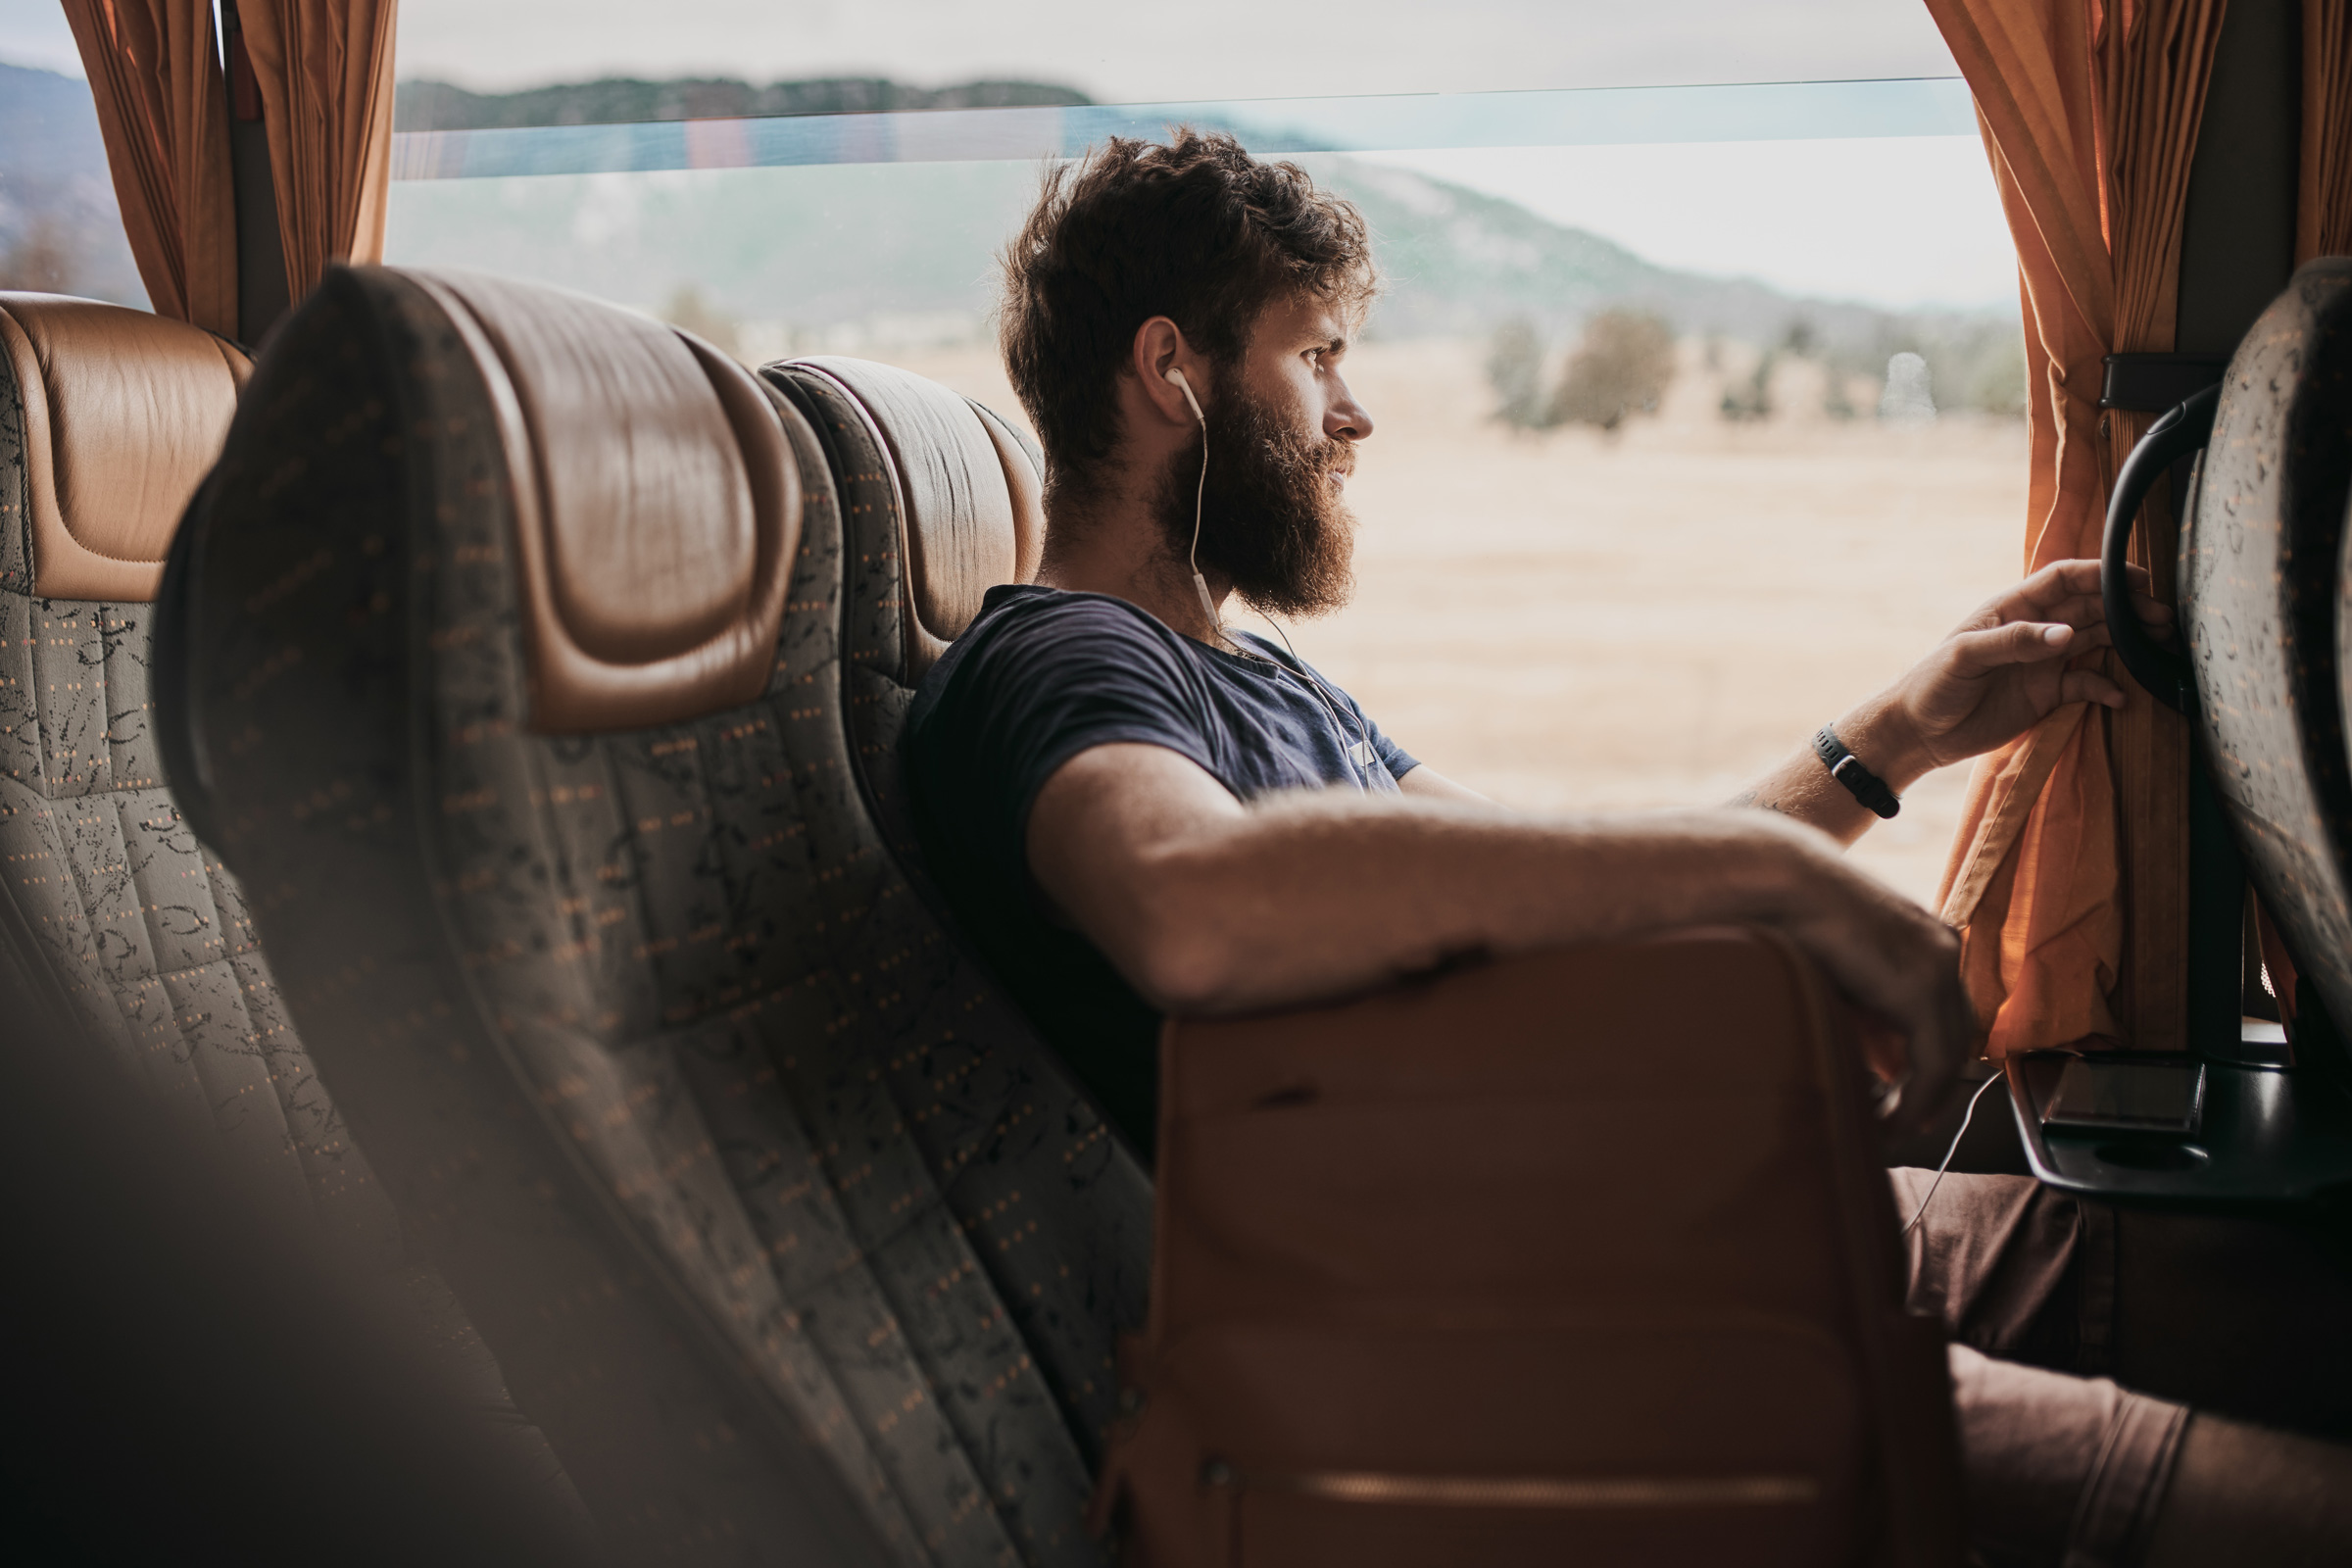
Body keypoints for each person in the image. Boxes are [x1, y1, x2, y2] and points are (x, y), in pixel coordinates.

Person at [903, 128, 2352, 1566]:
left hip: (1614, 1220)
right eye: (1317, 356)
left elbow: (1574, 883)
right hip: (1499, 1345)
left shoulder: (1258, 676)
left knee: (2241, 1277)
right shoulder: (1060, 659)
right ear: (1173, 371)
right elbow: (1187, 906)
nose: (1354, 414)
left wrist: (1898, 734)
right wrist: (1773, 883)